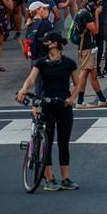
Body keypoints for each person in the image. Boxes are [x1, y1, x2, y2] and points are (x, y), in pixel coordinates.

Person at [15, 31, 84, 191]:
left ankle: (66, 178)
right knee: (47, 142)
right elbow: (31, 79)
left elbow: (78, 83)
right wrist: (23, 90)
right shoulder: (41, 63)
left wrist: (72, 98)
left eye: (46, 42)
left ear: (54, 44)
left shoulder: (69, 63)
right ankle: (49, 178)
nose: (43, 44)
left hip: (63, 105)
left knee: (63, 142)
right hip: (46, 104)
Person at [73, 0, 107, 108]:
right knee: (84, 73)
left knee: (93, 75)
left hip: (89, 47)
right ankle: (79, 101)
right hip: (86, 48)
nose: (100, 6)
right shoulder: (86, 14)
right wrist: (97, 15)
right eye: (99, 3)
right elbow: (95, 30)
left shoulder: (84, 12)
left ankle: (102, 100)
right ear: (93, 3)